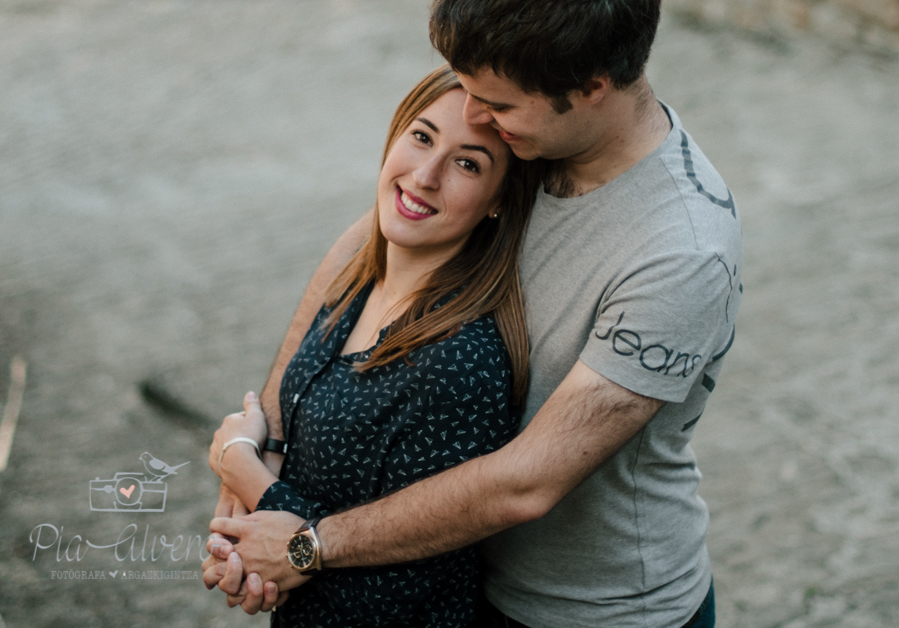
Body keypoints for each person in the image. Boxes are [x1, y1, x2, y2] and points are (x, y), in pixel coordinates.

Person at [205, 2, 742, 627]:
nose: (475, 114)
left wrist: (307, 544)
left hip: (589, 610)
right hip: (457, 577)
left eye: (498, 104)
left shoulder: (681, 253)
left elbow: (525, 482)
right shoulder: (536, 127)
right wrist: (268, 443)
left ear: (592, 87)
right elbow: (367, 242)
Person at [205, 64, 543, 627]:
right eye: (422, 136)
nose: (425, 175)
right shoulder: (360, 283)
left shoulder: (458, 361)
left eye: (467, 164)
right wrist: (243, 551)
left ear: (498, 201)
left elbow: (395, 594)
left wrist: (246, 472)